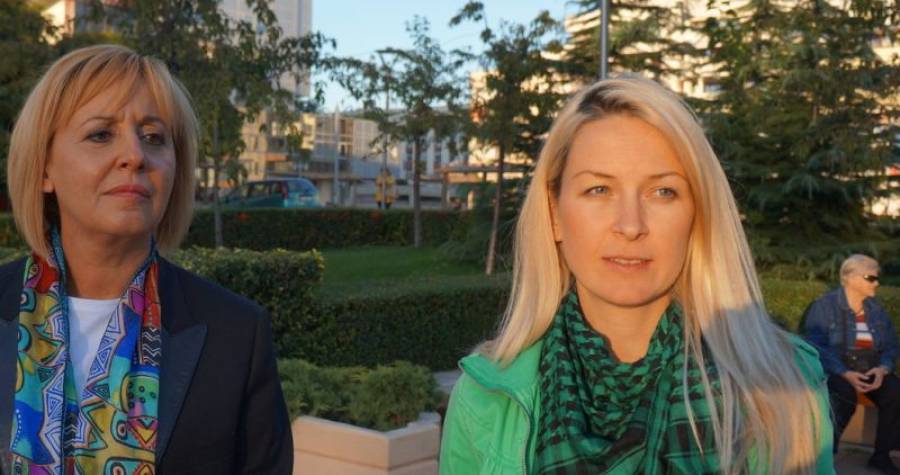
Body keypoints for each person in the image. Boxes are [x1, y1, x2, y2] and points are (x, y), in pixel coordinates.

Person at [439, 76, 833, 474]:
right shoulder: (483, 399)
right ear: (554, 214)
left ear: (697, 214)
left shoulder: (785, 386)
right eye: (598, 190)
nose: (630, 225)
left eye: (663, 192)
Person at [0, 45, 292, 474]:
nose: (135, 156)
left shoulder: (236, 335)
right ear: (44, 168)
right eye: (101, 134)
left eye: (154, 137)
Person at [803, 254, 899, 474]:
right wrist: (844, 372)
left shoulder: (876, 310)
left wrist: (883, 369)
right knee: (844, 396)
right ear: (850, 278)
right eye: (871, 278)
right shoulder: (824, 306)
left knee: (895, 392)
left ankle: (881, 456)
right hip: (837, 369)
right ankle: (825, 458)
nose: (877, 283)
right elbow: (816, 345)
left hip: (871, 367)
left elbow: (891, 345)